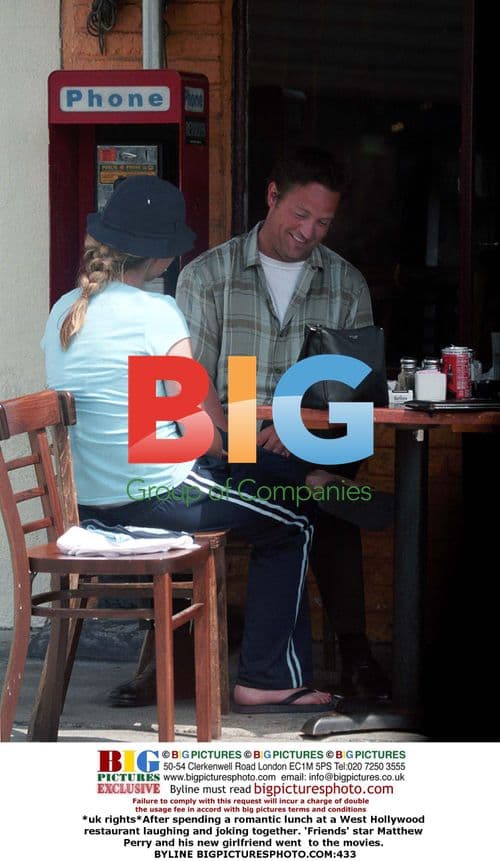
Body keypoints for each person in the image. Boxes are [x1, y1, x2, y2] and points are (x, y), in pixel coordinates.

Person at [41, 174, 333, 714]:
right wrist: (255, 457)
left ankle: (310, 479)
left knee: (267, 476)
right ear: (163, 257)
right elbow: (204, 435)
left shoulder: (64, 310)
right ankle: (265, 678)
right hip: (155, 495)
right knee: (292, 519)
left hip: (89, 503)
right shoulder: (157, 313)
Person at [175, 146, 390, 701]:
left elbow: (355, 394)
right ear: (272, 196)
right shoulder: (208, 275)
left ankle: (352, 652)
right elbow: (191, 385)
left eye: (323, 221)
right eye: (300, 214)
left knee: (326, 488)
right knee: (322, 499)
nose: (309, 231)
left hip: (312, 441)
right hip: (228, 447)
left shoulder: (347, 284)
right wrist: (251, 433)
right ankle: (195, 657)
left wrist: (299, 432)